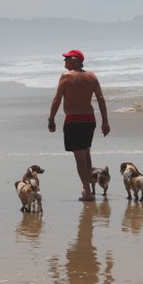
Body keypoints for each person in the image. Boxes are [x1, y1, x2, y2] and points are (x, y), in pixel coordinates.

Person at [48, 49, 110, 201]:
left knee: (80, 158)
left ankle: (87, 191)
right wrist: (105, 121)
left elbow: (57, 99)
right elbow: (101, 99)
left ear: (75, 60)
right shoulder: (92, 76)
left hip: (74, 120)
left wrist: (51, 118)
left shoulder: (66, 76)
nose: (64, 61)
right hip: (89, 120)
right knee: (86, 154)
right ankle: (87, 187)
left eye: (67, 58)